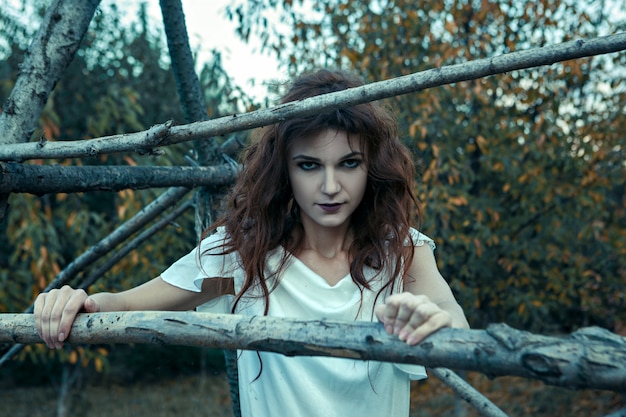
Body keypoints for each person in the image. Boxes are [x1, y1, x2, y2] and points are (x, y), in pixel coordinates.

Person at [34, 69, 469, 417]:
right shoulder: (244, 255)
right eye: (310, 165)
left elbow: (456, 323)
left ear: (371, 166)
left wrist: (432, 317)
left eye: (349, 163)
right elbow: (128, 306)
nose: (331, 186)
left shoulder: (402, 250)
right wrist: (75, 301)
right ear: (285, 169)